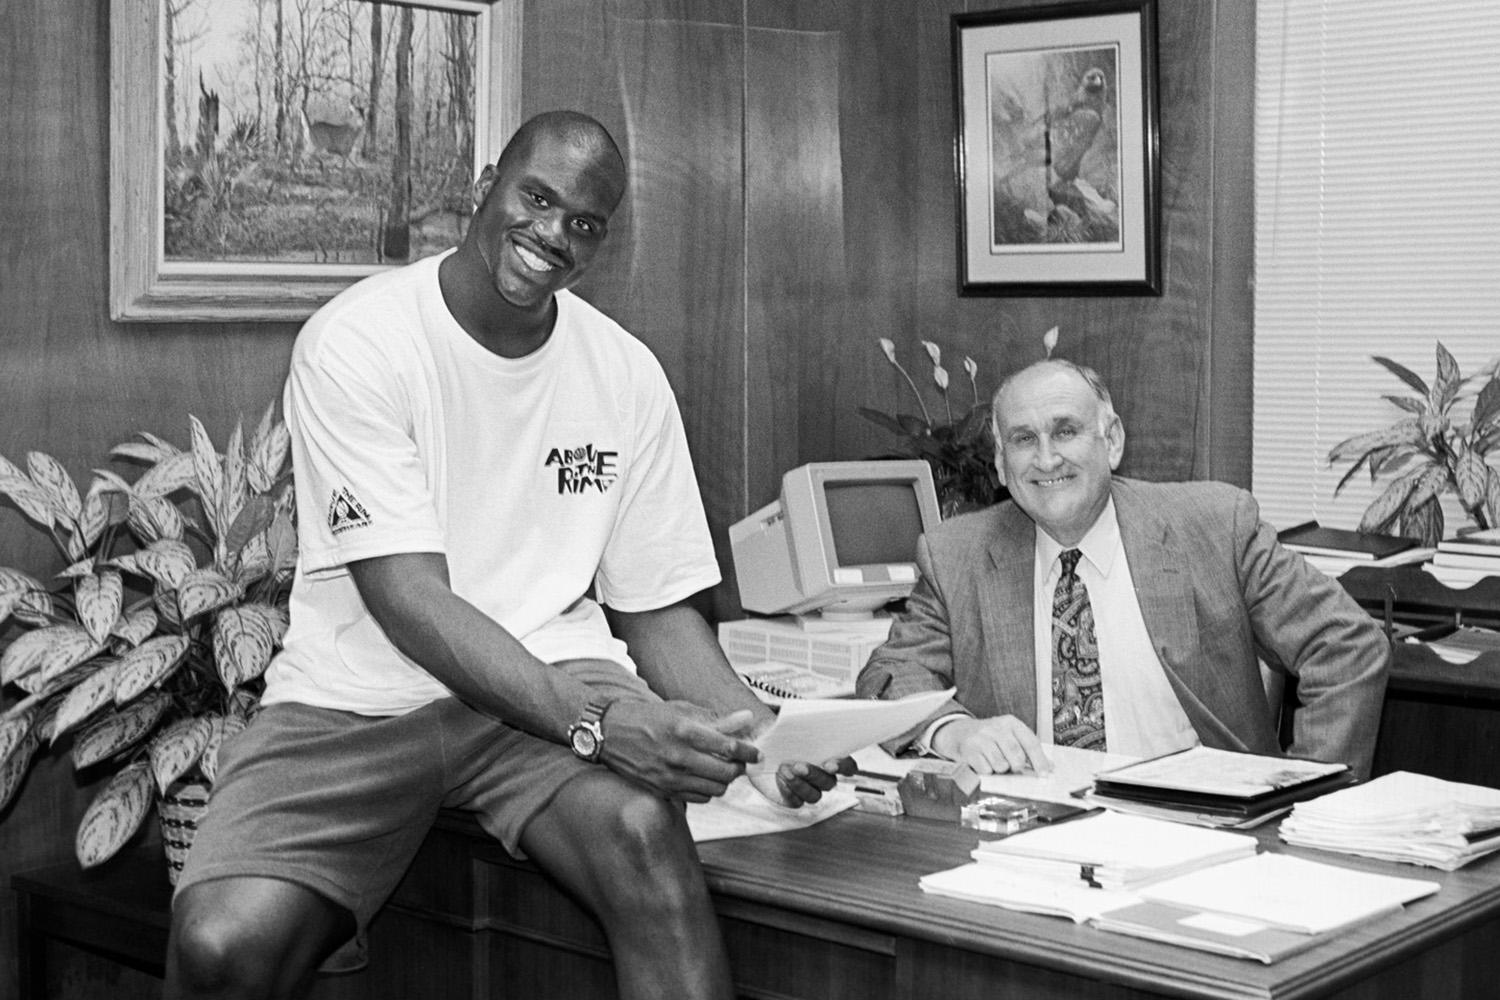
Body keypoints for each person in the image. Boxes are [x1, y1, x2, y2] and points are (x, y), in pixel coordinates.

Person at [165, 110, 840, 1000]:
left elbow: (653, 606)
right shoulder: (360, 340)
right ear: (488, 184)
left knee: (645, 840)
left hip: (555, 674)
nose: (552, 234)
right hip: (364, 696)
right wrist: (597, 727)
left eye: (584, 223)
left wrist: (761, 736)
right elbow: (408, 600)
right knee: (219, 946)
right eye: (537, 198)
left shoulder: (626, 372)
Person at [857, 358, 1389, 780]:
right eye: (1023, 439)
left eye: (1065, 431)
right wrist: (953, 732)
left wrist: (1308, 797)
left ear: (1111, 441)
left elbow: (1346, 645)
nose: (1046, 459)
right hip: (1034, 830)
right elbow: (888, 676)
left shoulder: (1212, 527)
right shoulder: (957, 555)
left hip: (1201, 827)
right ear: (1000, 463)